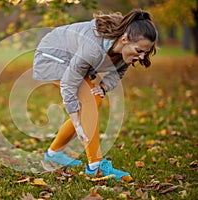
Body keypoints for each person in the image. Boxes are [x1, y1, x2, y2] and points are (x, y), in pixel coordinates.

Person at [32, 9, 157, 180]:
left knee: (94, 99)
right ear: (124, 39)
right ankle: (95, 166)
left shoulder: (125, 52)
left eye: (145, 52)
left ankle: (54, 154)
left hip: (73, 60)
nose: (142, 57)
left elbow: (118, 72)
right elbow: (69, 83)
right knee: (89, 101)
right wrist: (76, 119)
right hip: (52, 57)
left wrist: (104, 86)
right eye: (139, 50)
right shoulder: (93, 47)